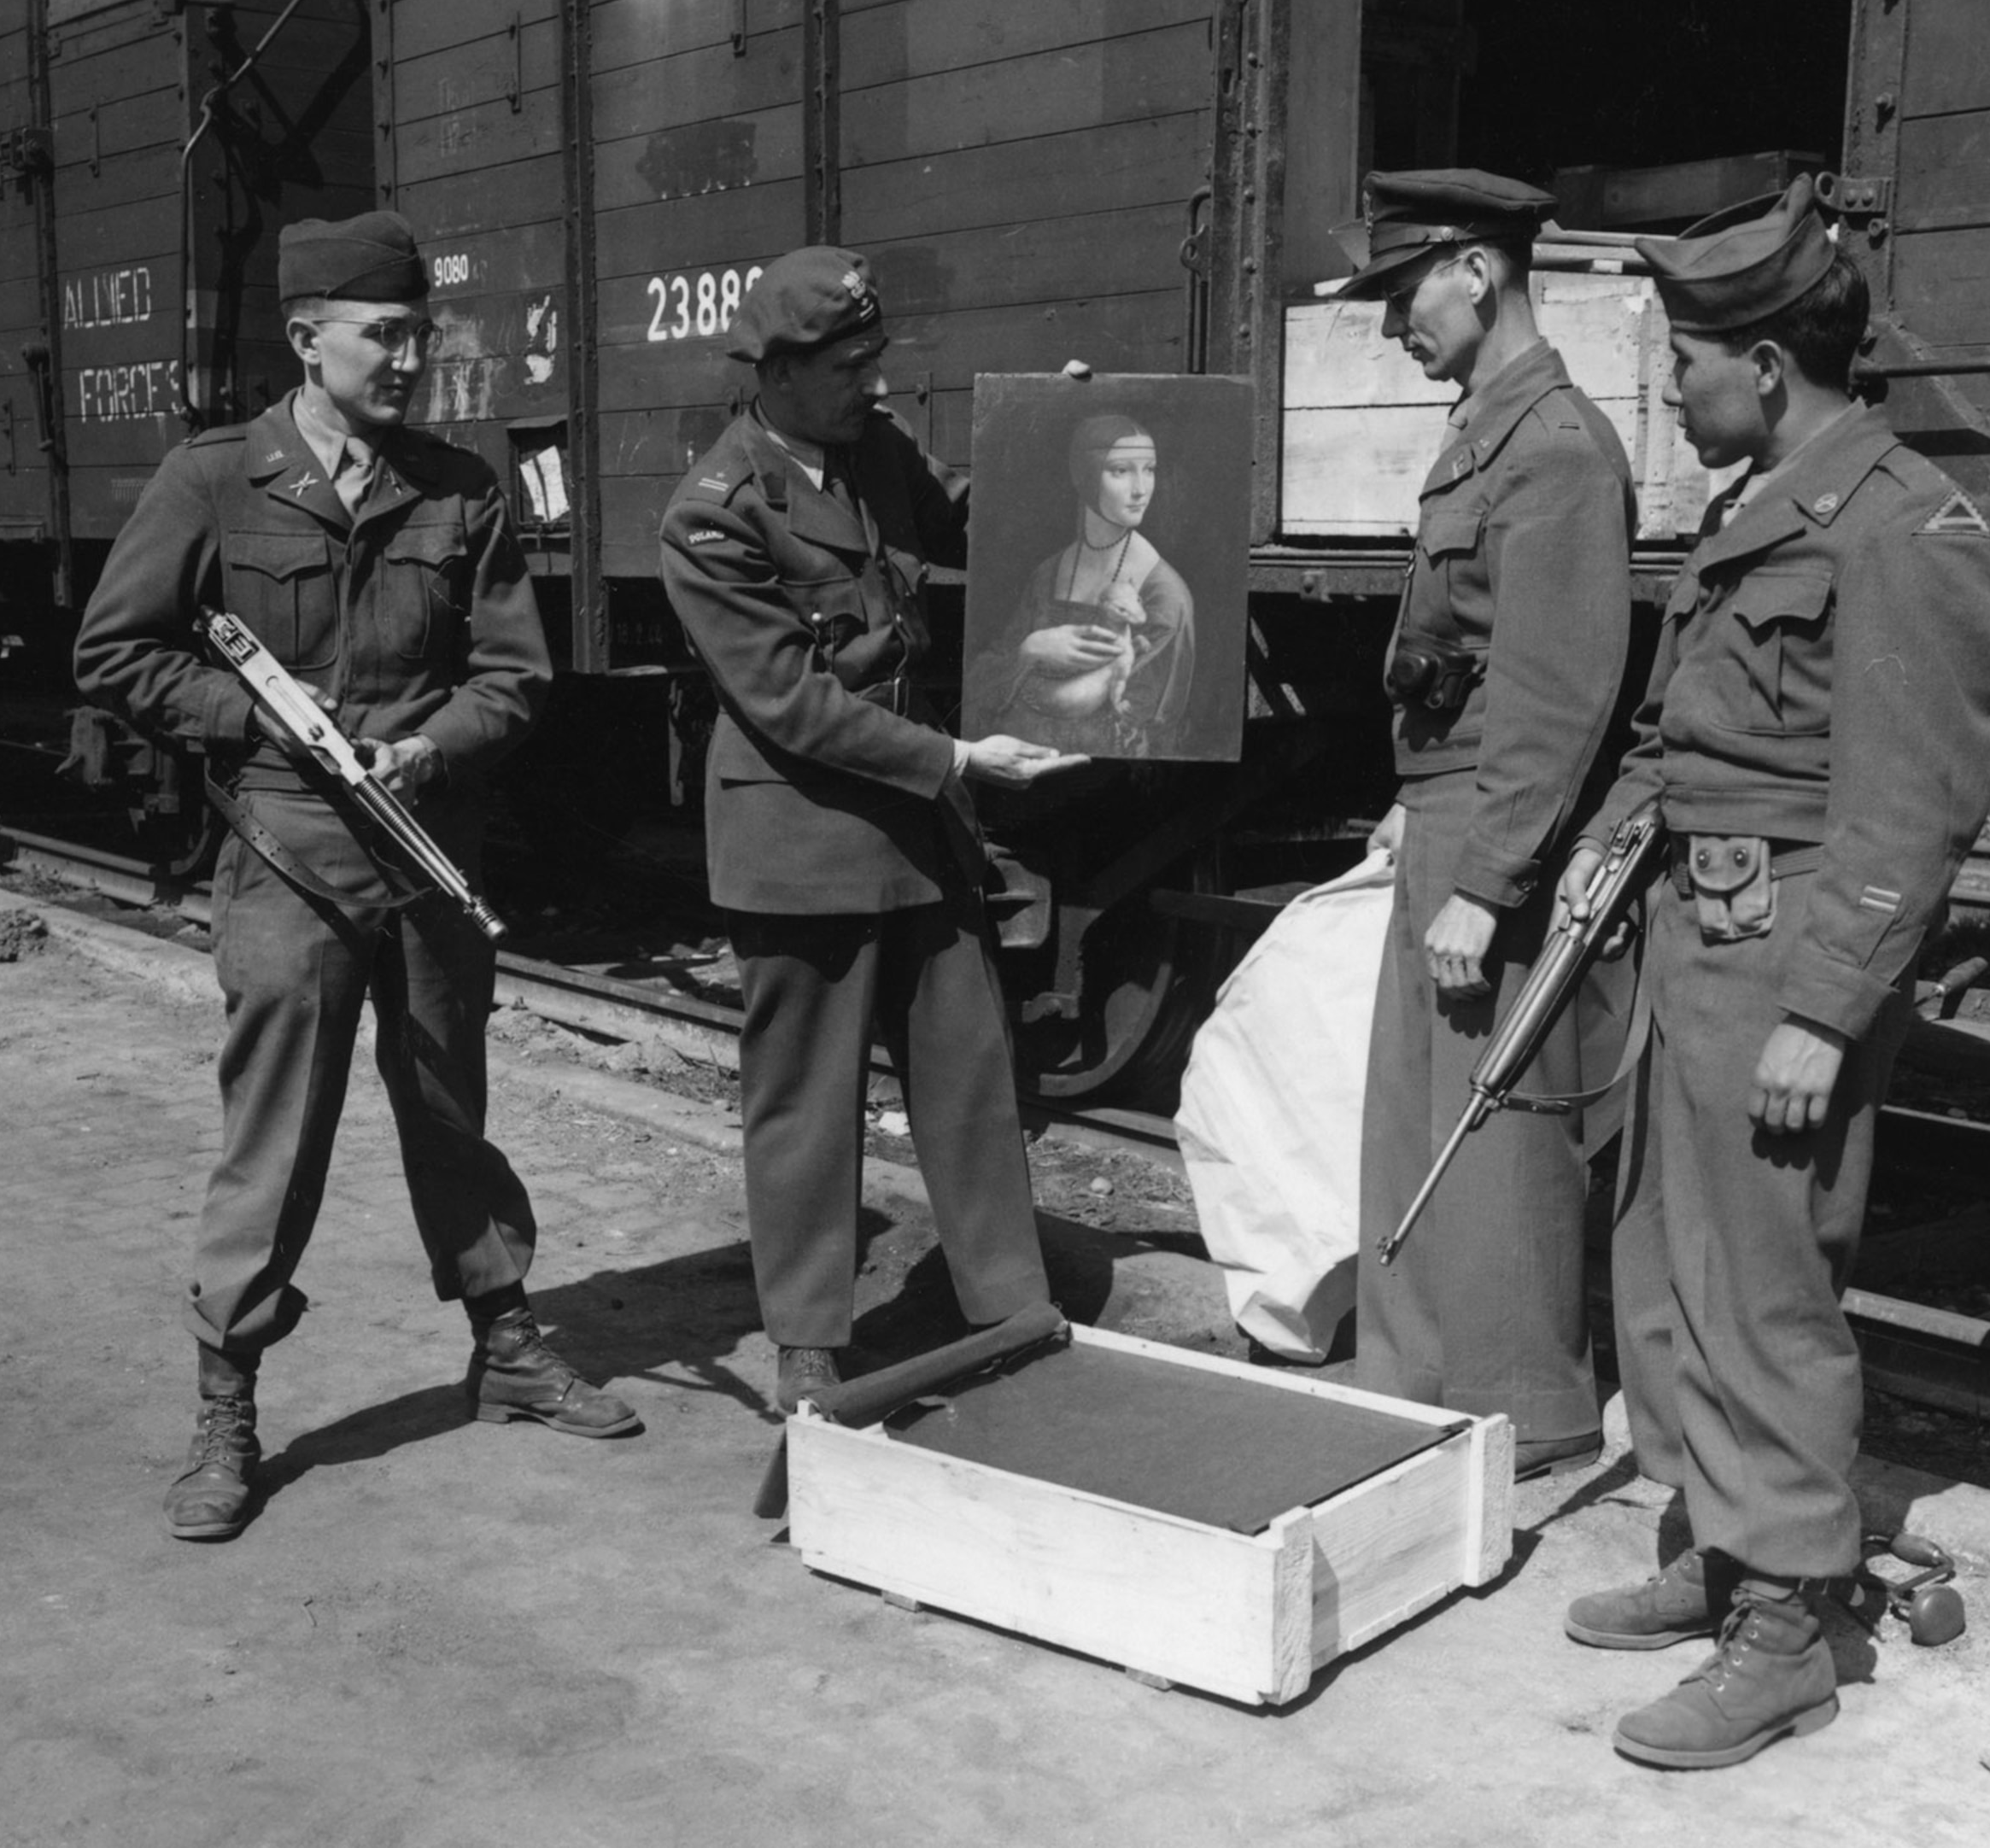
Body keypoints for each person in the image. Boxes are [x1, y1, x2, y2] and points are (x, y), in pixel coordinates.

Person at [74, 210, 639, 1544]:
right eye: (382, 335)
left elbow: (516, 676)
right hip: (289, 848)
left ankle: (505, 1342)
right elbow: (115, 652)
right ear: (305, 337)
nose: (408, 358)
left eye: (418, 334)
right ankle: (227, 1406)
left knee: (450, 1104)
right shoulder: (217, 478)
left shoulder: (458, 486)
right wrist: (256, 720)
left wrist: (429, 750)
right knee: (276, 1132)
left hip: (429, 839)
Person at [1554, 179, 1990, 1768]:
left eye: (1683, 361)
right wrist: (1602, 847)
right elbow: (1682, 734)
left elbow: (1916, 798)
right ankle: (1722, 1541)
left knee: (1765, 1285)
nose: (1670, 389)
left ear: (1761, 363)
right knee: (1670, 1262)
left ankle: (1787, 1628)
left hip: (1789, 951)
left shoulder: (1900, 524)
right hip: (1702, 928)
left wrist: (1827, 1006)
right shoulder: (1760, 504)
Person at [658, 247, 1086, 1414]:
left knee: (970, 1073)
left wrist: (1052, 437)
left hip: (915, 823)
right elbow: (791, 704)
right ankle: (807, 1340)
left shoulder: (874, 451)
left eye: (876, 358)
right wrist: (957, 759)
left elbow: (976, 526)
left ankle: (1010, 1307)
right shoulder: (714, 514)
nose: (877, 384)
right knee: (806, 1102)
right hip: (803, 836)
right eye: (852, 367)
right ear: (778, 373)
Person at [1334, 170, 1637, 1476]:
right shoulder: (1488, 431)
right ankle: (1416, 1389)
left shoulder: (1556, 448)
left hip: (1496, 830)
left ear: (1476, 269)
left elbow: (1554, 688)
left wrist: (1489, 876)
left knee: (1498, 1127)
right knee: (1420, 1116)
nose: (1391, 321)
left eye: (1404, 290)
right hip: (1448, 810)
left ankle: (1523, 1407)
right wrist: (1416, 810)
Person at [972, 414, 1196, 757]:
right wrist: (1030, 650)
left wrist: (1032, 682)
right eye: (1121, 470)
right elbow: (983, 685)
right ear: (1084, 475)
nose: (1141, 489)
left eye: (1149, 469)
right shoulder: (1048, 573)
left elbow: (1143, 727)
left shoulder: (1165, 595)